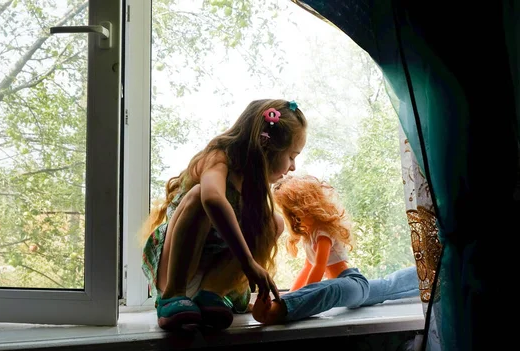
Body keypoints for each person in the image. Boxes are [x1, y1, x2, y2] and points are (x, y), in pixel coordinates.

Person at [141, 99, 308, 331]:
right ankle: (173, 295)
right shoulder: (219, 157)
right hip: (176, 272)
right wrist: (249, 263)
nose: (293, 167)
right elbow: (212, 198)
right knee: (201, 194)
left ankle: (212, 293)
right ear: (267, 148)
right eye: (291, 156)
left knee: (273, 222)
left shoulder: (254, 187)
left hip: (211, 279)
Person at [252, 174, 420, 324]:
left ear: (304, 207)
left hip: (351, 282)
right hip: (349, 287)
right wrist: (290, 295)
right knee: (388, 286)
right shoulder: (310, 236)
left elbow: (319, 267)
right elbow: (307, 267)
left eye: (292, 212)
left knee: (329, 291)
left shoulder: (322, 232)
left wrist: (301, 297)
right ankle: (430, 274)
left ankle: (277, 311)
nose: (292, 219)